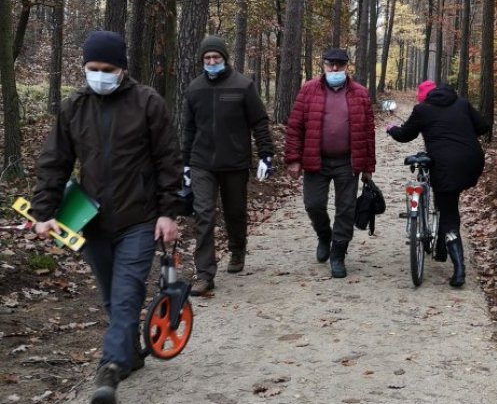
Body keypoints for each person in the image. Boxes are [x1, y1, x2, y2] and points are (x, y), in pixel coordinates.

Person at [30, 30, 182, 404]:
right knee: (112, 297)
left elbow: (168, 161)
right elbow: (55, 161)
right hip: (92, 221)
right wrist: (43, 213)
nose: (99, 75)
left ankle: (110, 369)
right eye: (92, 68)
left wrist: (168, 213)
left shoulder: (148, 103)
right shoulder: (73, 107)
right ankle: (130, 354)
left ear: (122, 69)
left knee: (128, 293)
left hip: (140, 218)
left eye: (107, 68)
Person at [182, 35, 274, 296]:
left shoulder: (243, 86)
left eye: (216, 58)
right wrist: (185, 164)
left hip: (234, 162)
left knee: (235, 211)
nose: (212, 62)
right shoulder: (194, 89)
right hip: (202, 163)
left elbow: (259, 121)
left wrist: (266, 154)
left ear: (224, 59)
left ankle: (237, 249)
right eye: (207, 58)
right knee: (204, 215)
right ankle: (205, 274)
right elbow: (188, 129)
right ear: (202, 60)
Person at [386, 80, 490, 287]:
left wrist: (391, 129)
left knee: (449, 211)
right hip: (471, 160)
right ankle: (442, 247)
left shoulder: (422, 109)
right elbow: (484, 126)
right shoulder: (461, 103)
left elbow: (406, 135)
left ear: (423, 97)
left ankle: (459, 270)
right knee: (450, 199)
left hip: (445, 164)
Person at [284, 48, 375, 278]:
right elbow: (295, 127)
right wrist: (293, 159)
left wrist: (368, 167)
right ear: (323, 65)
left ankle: (338, 254)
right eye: (330, 64)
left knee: (346, 209)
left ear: (347, 67)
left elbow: (368, 132)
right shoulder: (309, 90)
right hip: (316, 159)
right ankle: (324, 235)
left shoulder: (360, 94)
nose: (334, 69)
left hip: (347, 161)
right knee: (313, 204)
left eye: (339, 65)